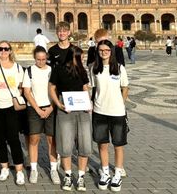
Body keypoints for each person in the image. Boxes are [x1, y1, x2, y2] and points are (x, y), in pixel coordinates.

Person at [49, 46, 92, 191]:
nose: (81, 59)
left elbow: (85, 87)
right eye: (78, 56)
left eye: (81, 57)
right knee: (66, 143)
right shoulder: (59, 69)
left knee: (85, 142)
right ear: (71, 57)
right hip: (66, 108)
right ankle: (68, 175)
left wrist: (88, 102)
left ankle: (80, 177)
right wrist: (59, 105)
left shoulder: (81, 70)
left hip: (82, 107)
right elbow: (52, 88)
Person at [90, 40, 130, 192]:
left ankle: (118, 173)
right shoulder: (94, 68)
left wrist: (122, 102)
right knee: (102, 143)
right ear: (98, 51)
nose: (104, 52)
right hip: (99, 110)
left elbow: (125, 87)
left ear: (111, 51)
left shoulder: (119, 68)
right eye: (101, 50)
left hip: (117, 111)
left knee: (118, 144)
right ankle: (105, 171)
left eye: (107, 50)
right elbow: (92, 88)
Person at [0, 41, 26, 185]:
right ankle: (4, 167)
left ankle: (19, 170)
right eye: (0, 49)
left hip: (11, 107)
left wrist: (15, 96)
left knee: (14, 138)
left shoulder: (17, 68)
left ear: (10, 51)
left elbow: (22, 87)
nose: (3, 51)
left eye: (6, 49)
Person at [22, 46, 59, 185]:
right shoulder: (30, 71)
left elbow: (57, 90)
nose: (41, 62)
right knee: (34, 139)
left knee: (52, 140)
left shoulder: (52, 70)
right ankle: (34, 169)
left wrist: (51, 108)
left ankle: (53, 169)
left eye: (44, 59)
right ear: (34, 58)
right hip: (34, 108)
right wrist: (37, 109)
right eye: (38, 59)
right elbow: (27, 92)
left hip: (50, 108)